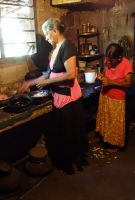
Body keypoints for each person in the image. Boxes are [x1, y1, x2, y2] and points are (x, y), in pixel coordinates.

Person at [18, 18, 89, 175]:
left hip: (69, 99)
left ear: (55, 31)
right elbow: (48, 74)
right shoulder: (56, 49)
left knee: (71, 134)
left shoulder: (67, 47)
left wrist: (48, 82)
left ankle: (74, 162)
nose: (46, 38)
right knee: (63, 134)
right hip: (59, 97)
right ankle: (67, 161)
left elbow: (71, 74)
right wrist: (29, 83)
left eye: (47, 34)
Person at [96, 43, 133, 149]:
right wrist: (101, 76)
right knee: (106, 120)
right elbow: (105, 72)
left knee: (115, 123)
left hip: (117, 99)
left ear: (120, 57)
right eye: (107, 59)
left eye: (112, 60)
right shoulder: (108, 60)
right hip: (105, 95)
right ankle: (106, 140)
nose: (108, 62)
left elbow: (129, 83)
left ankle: (115, 144)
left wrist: (111, 82)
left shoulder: (126, 64)